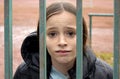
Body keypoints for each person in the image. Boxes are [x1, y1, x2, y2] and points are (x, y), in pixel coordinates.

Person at [13, 2, 113, 79]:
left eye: (70, 33)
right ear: (41, 39)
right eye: (52, 34)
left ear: (83, 36)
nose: (62, 42)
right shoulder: (25, 73)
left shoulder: (104, 74)